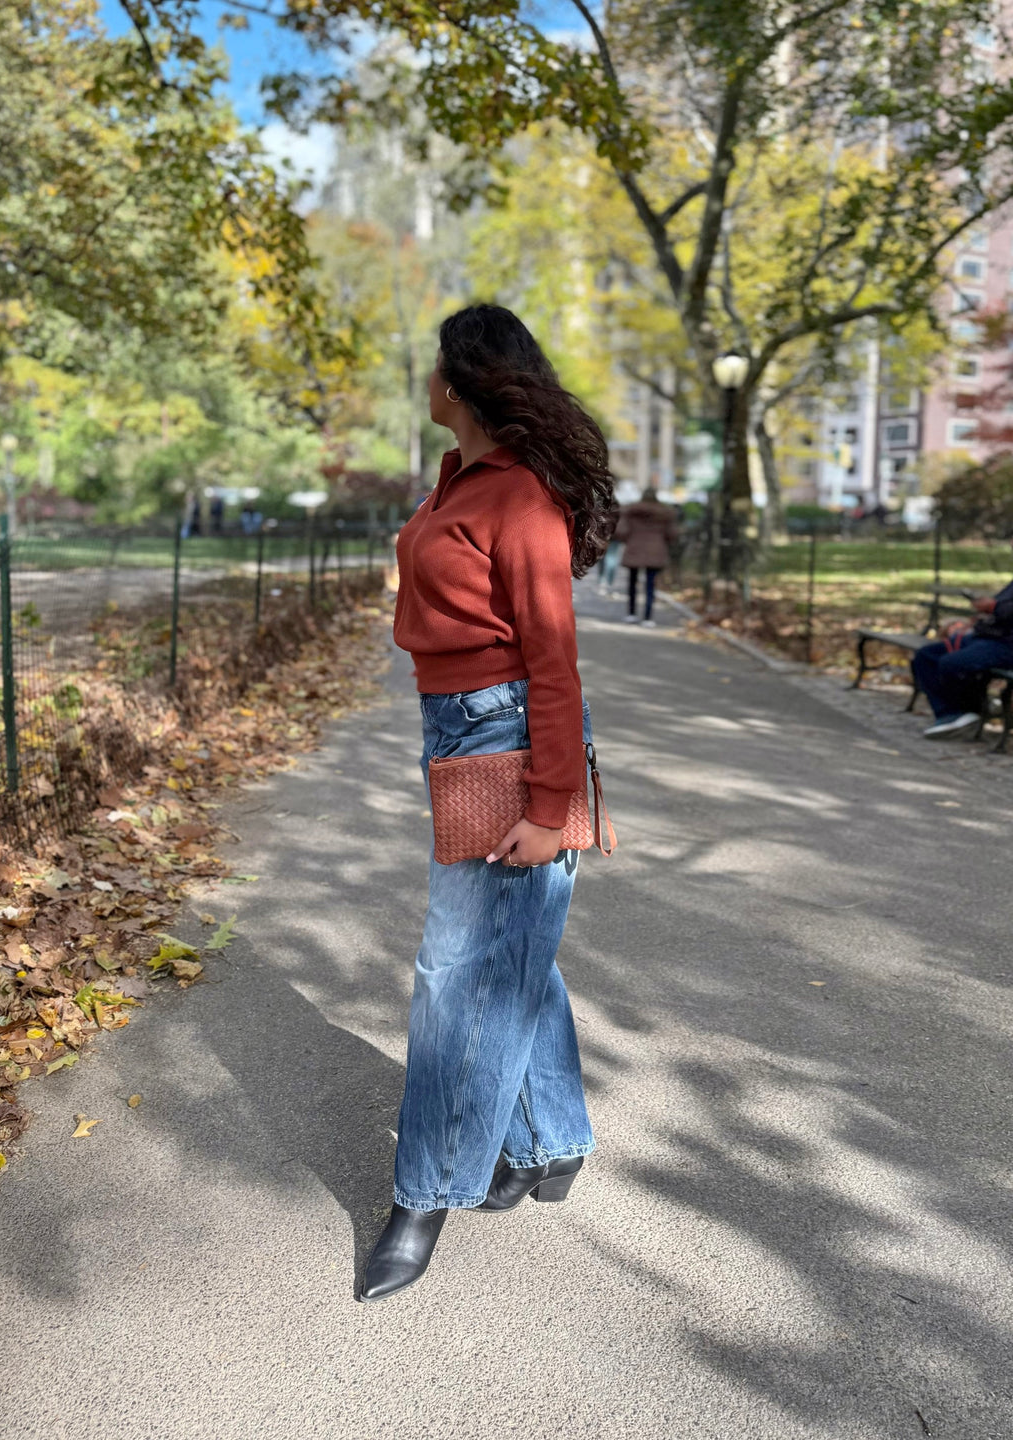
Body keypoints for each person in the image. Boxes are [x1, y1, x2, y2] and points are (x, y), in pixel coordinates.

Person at [361, 303, 614, 1303]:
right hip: (457, 727)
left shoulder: (522, 500)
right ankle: (552, 1141)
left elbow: (553, 660)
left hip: (506, 733)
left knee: (453, 972)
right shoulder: (460, 480)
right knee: (513, 954)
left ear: (460, 382)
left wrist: (550, 804)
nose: (423, 381)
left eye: (433, 367)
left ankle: (426, 1190)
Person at [912, 571, 1013, 738]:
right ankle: (950, 714)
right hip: (988, 636)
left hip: (1005, 645)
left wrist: (993, 607)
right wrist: (978, 619)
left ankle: (970, 709)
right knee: (926, 656)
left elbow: (1003, 610)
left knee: (952, 663)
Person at [613, 487, 678, 626]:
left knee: (632, 583)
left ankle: (631, 614)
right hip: (655, 549)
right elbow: (672, 534)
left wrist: (628, 539)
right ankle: (648, 617)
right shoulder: (665, 513)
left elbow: (621, 531)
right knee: (651, 584)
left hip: (635, 548)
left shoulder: (631, 511)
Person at [597, 497, 623, 595]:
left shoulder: (598, 506)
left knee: (602, 558)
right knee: (612, 558)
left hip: (602, 536)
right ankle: (609, 581)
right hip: (614, 536)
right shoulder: (617, 508)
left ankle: (602, 580)